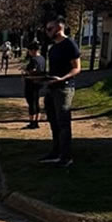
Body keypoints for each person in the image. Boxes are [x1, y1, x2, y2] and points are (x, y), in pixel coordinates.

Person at [40, 16, 81, 167]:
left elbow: (77, 67)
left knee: (63, 123)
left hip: (64, 88)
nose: (47, 32)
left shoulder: (69, 44)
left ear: (59, 28)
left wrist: (62, 78)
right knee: (53, 121)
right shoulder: (53, 47)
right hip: (51, 88)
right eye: (46, 29)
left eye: (50, 29)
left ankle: (66, 157)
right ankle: (56, 151)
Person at [21, 41, 45, 129]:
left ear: (33, 50)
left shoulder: (34, 60)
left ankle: (32, 122)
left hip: (31, 83)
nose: (29, 53)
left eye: (29, 51)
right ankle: (37, 121)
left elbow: (33, 70)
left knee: (31, 103)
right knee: (36, 102)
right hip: (39, 83)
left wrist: (25, 72)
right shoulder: (42, 58)